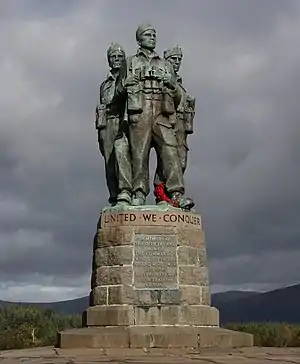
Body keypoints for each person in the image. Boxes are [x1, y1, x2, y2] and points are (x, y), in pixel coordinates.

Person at [116, 24, 192, 208]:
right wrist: (126, 84)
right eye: (148, 35)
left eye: (154, 35)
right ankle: (138, 193)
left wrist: (172, 85)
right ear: (139, 39)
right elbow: (117, 93)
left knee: (170, 151)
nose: (152, 38)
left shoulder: (165, 64)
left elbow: (179, 97)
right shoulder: (130, 62)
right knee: (139, 154)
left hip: (162, 111)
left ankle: (175, 194)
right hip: (139, 111)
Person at [154, 46, 195, 191]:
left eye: (179, 59)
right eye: (173, 59)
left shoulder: (180, 83)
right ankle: (162, 192)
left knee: (181, 161)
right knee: (166, 159)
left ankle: (168, 194)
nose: (177, 62)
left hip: (181, 125)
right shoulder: (161, 79)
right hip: (166, 122)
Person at [95, 43, 132, 206]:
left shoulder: (128, 78)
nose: (116, 60)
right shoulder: (104, 84)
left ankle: (127, 193)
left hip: (123, 120)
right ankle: (114, 197)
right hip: (106, 124)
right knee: (109, 163)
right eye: (113, 57)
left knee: (122, 156)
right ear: (109, 61)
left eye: (119, 57)